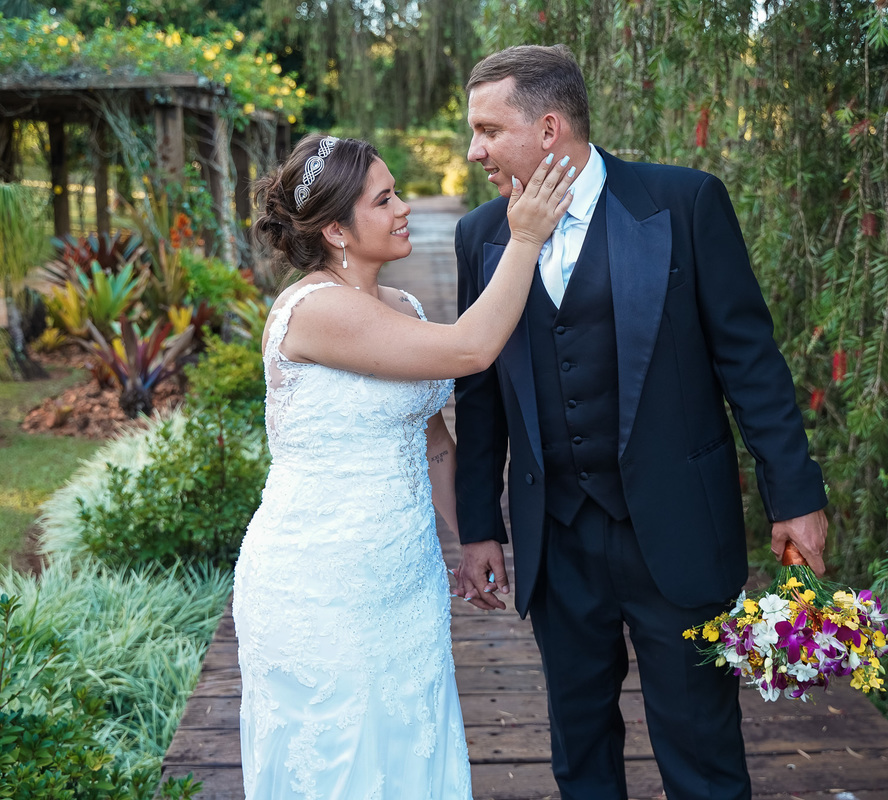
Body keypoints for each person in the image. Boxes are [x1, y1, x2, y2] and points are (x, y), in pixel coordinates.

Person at [452, 45, 830, 800]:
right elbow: (480, 393)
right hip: (555, 536)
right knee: (579, 746)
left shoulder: (683, 204)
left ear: (549, 127)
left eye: (490, 130)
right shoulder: (481, 236)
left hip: (677, 527)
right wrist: (477, 526)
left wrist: (795, 496)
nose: (475, 151)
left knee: (701, 748)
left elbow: (750, 362)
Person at [231, 132, 574, 799]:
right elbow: (471, 349)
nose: (402, 209)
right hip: (320, 586)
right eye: (384, 199)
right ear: (335, 228)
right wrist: (526, 238)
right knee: (341, 767)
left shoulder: (405, 309)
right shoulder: (316, 310)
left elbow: (435, 443)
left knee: (412, 754)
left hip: (405, 580)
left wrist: (472, 537)